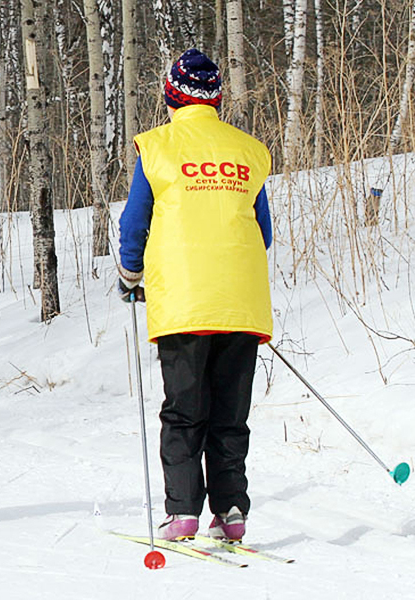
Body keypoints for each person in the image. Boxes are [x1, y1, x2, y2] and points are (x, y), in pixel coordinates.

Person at [117, 49, 273, 542]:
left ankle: (182, 512)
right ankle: (230, 511)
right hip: (241, 302)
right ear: (217, 99)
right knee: (230, 414)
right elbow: (262, 231)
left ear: (171, 95)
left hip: (184, 303)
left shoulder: (158, 147)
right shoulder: (248, 150)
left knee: (185, 411)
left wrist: (130, 276)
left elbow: (134, 224)